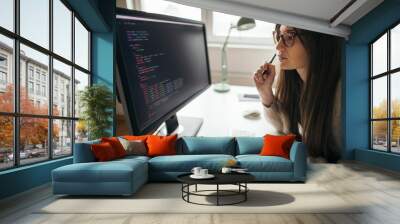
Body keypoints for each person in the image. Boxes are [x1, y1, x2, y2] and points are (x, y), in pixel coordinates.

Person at [253, 24, 343, 163]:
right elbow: (284, 126)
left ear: (316, 41)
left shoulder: (340, 97)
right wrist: (265, 93)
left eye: (289, 37)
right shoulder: (294, 81)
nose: (278, 47)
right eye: (278, 36)